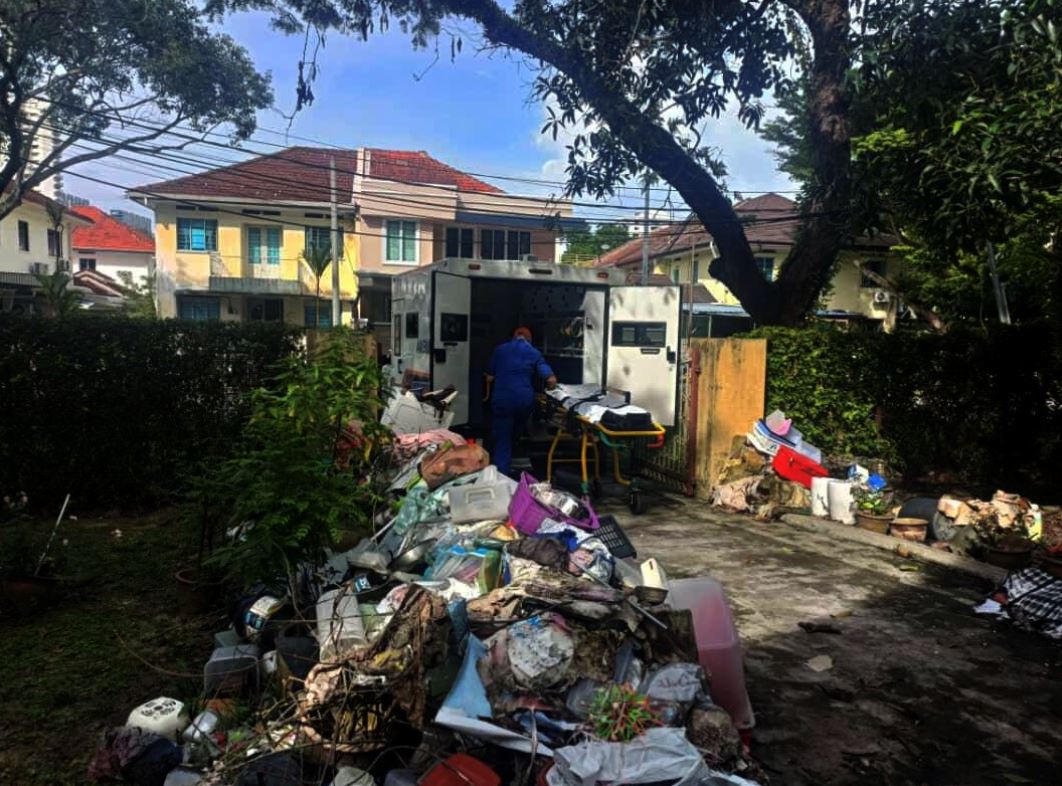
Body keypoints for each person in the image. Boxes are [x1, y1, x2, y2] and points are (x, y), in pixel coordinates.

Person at [485, 327, 557, 476]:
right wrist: (551, 384)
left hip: (503, 401)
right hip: (524, 401)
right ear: (529, 339)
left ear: (514, 337)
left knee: (502, 438)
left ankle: (502, 473)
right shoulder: (534, 352)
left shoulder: (500, 350)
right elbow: (549, 378)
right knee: (517, 430)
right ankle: (517, 452)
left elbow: (490, 374)